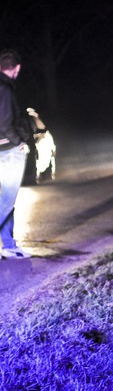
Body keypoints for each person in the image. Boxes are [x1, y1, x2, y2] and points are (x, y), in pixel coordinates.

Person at [0, 49, 31, 260]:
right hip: (8, 151)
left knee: (4, 200)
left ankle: (9, 245)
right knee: (6, 201)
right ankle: (9, 245)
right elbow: (5, 122)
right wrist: (19, 142)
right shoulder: (6, 90)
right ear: (17, 68)